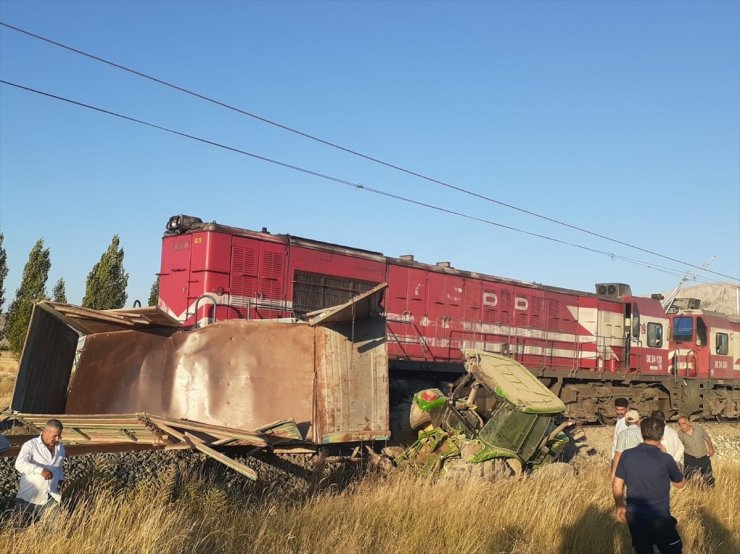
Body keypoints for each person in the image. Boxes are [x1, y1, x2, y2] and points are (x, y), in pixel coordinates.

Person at [613, 416, 686, 554]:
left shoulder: (627, 455)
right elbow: (680, 484)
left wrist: (619, 505)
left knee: (643, 550)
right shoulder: (666, 459)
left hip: (635, 517)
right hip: (660, 517)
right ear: (662, 435)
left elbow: (617, 485)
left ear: (642, 433)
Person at [14, 419, 66, 524]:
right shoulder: (30, 445)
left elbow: (59, 467)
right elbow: (19, 464)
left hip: (50, 495)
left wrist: (60, 480)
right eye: (54, 436)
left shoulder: (60, 448)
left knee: (55, 528)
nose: (57, 439)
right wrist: (40, 471)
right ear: (45, 431)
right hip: (28, 497)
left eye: (59, 436)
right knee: (20, 528)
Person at [676, 417, 715, 486]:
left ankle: (711, 493)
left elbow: (707, 438)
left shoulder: (698, 429)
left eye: (683, 423)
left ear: (688, 422)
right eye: (679, 424)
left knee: (709, 479)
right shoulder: (679, 435)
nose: (681, 426)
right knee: (688, 479)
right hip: (690, 459)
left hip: (704, 458)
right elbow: (678, 447)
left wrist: (711, 448)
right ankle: (692, 493)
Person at [611, 409, 642, 481]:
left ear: (626, 422)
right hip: (642, 466)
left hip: (628, 467)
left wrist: (613, 472)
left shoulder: (622, 434)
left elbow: (618, 454)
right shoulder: (644, 433)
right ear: (638, 421)